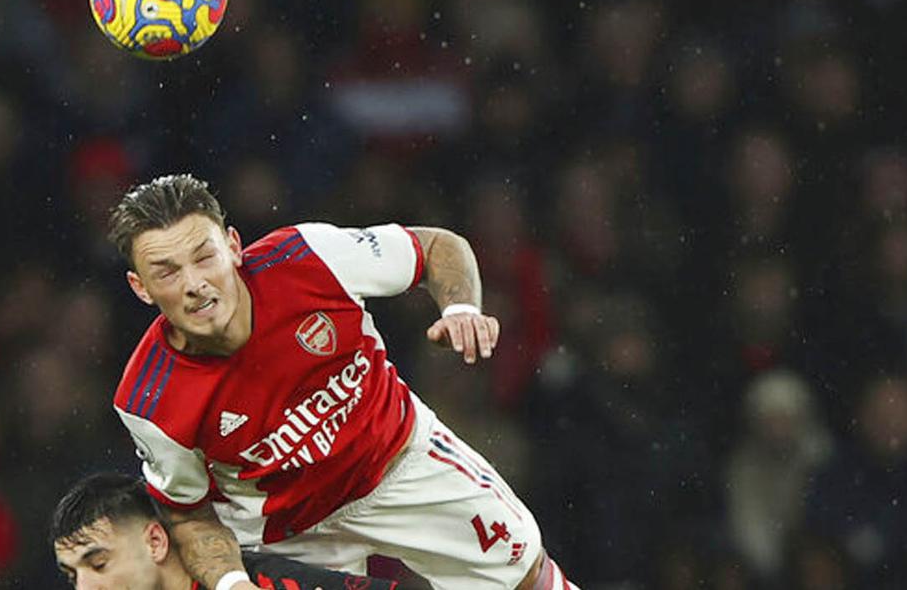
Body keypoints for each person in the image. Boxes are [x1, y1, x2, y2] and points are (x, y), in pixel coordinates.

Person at [106, 173, 578, 590]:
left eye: (204, 257)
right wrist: (232, 585)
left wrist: (459, 308)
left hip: (400, 462)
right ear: (140, 287)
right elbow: (187, 512)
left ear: (232, 246)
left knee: (524, 575)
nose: (194, 283)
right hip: (287, 533)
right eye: (167, 272)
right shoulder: (149, 401)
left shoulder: (307, 257)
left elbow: (434, 246)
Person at [52, 472, 402, 589]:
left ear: (156, 542)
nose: (85, 588)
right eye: (72, 577)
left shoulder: (262, 582)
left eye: (98, 564)